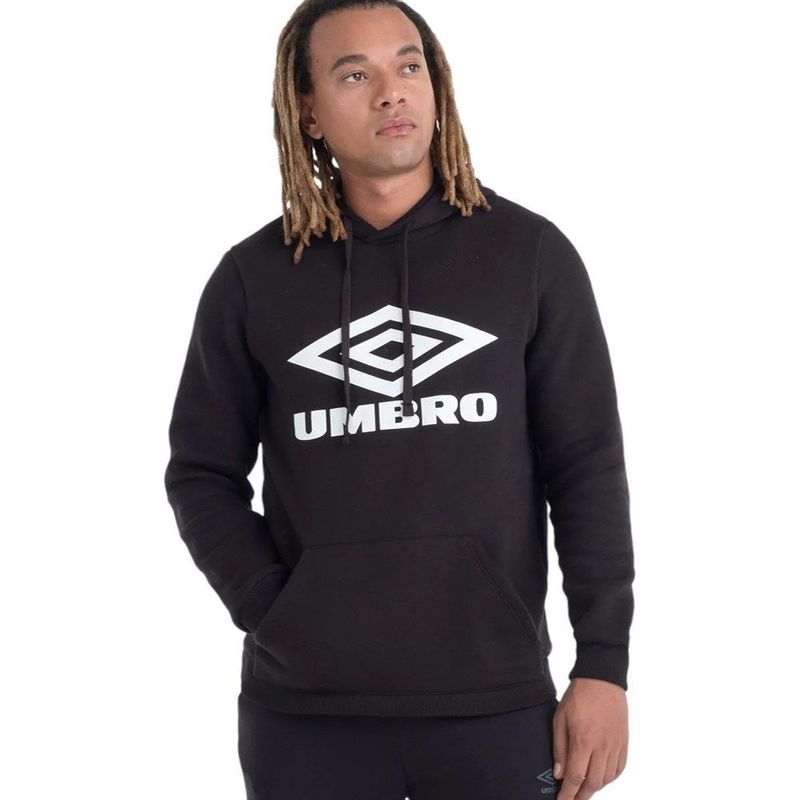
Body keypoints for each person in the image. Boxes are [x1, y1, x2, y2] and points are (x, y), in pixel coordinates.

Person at [163, 1, 635, 798]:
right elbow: (201, 472)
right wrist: (276, 610)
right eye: (355, 74)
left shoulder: (530, 256)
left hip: (495, 704)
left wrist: (604, 666)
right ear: (308, 112)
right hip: (305, 718)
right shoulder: (253, 279)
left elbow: (587, 468)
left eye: (408, 65)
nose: (392, 90)